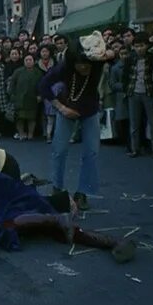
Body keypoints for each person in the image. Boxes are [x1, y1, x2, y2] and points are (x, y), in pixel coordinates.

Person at [0, 166, 136, 261]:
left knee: (2, 225)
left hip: (21, 210)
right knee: (63, 231)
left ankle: (56, 218)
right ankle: (112, 242)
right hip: (31, 202)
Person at [38, 33, 115, 210]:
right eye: (81, 65)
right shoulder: (64, 68)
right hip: (66, 108)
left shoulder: (96, 63)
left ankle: (83, 193)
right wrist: (61, 108)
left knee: (91, 152)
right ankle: (57, 189)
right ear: (74, 62)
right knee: (59, 150)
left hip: (90, 110)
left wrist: (102, 53)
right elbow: (43, 85)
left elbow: (111, 54)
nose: (85, 68)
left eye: (88, 64)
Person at [124, 32, 153, 157]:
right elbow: (125, 77)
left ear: (147, 45)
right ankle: (135, 149)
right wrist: (126, 91)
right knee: (134, 124)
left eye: (142, 45)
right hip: (133, 93)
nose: (139, 48)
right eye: (136, 46)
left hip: (149, 92)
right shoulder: (129, 59)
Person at [9, 54, 43, 140]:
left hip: (33, 98)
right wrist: (12, 94)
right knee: (19, 118)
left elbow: (42, 85)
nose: (28, 62)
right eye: (26, 60)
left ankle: (30, 134)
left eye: (30, 60)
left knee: (32, 118)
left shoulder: (38, 72)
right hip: (19, 98)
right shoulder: (18, 71)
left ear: (33, 61)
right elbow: (12, 84)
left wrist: (40, 95)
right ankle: (21, 133)